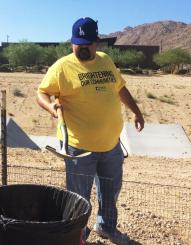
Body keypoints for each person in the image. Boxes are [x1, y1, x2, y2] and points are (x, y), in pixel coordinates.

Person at [37, 17, 144, 244]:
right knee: (78, 198)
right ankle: (77, 235)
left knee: (110, 192)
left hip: (111, 145)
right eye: (78, 44)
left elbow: (120, 88)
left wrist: (136, 111)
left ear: (96, 42)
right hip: (78, 148)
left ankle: (106, 227)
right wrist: (52, 107)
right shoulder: (62, 67)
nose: (82, 48)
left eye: (87, 43)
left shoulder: (105, 60)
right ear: (71, 43)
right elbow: (42, 93)